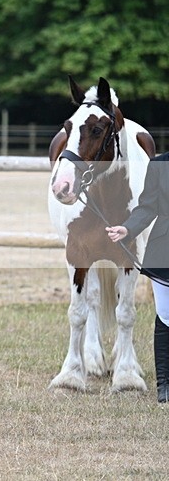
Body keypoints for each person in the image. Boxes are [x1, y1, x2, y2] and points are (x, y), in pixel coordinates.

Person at [106, 151, 169, 403]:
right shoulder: (159, 164)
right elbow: (148, 206)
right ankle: (164, 385)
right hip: (165, 247)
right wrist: (128, 228)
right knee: (166, 316)